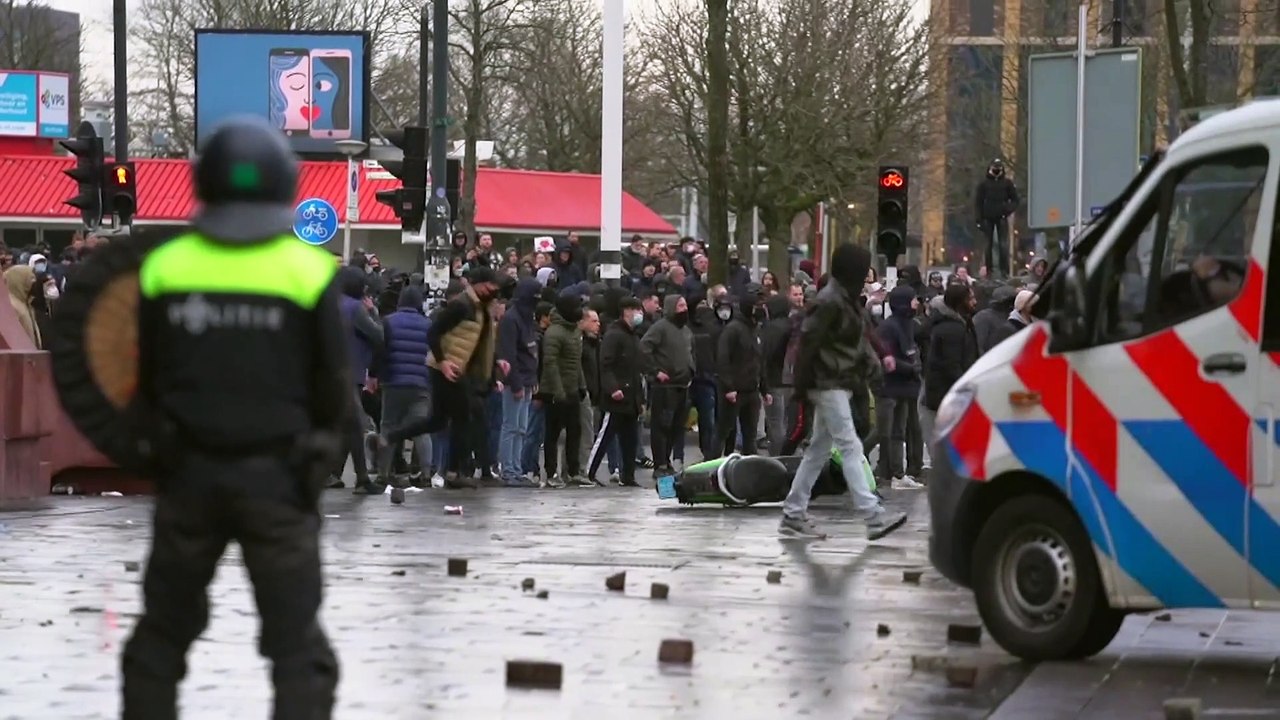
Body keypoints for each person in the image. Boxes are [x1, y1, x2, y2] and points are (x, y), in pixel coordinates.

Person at [121, 116, 347, 719]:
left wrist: (158, 451)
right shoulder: (310, 270)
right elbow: (333, 386)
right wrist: (321, 456)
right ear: (284, 184)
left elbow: (144, 378)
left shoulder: (166, 267)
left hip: (189, 475)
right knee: (298, 644)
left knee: (161, 636)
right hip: (278, 478)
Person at [779, 244, 908, 540]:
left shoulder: (846, 300)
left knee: (819, 450)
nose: (865, 275)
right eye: (862, 269)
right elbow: (809, 342)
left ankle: (793, 513)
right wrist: (801, 385)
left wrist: (875, 361)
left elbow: (859, 337)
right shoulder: (829, 301)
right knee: (849, 445)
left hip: (837, 380)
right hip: (827, 383)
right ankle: (872, 515)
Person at [587, 296, 645, 487]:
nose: (639, 314)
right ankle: (589, 472)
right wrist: (613, 388)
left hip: (631, 399)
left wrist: (640, 399)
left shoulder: (633, 336)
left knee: (630, 440)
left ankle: (628, 476)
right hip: (617, 398)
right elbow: (606, 365)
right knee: (605, 437)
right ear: (626, 311)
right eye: (636, 310)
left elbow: (637, 370)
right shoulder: (614, 335)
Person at [641, 293, 694, 475]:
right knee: (661, 425)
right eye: (680, 306)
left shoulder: (686, 331)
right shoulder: (660, 328)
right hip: (665, 387)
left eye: (685, 306)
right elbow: (644, 348)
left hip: (683, 385)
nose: (684, 310)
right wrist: (655, 371)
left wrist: (691, 369)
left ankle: (667, 459)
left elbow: (689, 352)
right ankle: (660, 463)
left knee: (677, 427)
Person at [974, 158, 1020, 278]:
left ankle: (1004, 270)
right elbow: (978, 202)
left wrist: (1007, 210)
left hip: (1001, 217)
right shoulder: (983, 184)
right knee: (988, 245)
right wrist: (979, 219)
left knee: (1003, 244)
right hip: (987, 218)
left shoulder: (1007, 183)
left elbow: (1015, 200)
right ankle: (989, 270)